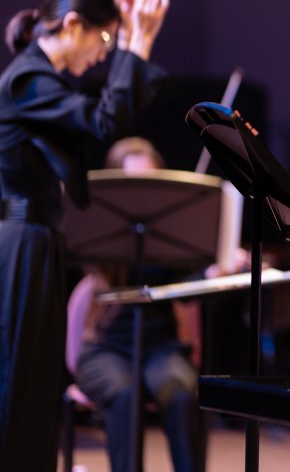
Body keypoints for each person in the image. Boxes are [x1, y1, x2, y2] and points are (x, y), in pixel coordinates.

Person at [0, 0, 168, 471]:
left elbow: (104, 114)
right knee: (16, 383)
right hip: (22, 243)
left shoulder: (42, 80)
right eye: (104, 38)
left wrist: (132, 39)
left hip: (39, 242)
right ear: (72, 24)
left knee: (34, 388)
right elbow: (105, 120)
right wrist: (137, 43)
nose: (103, 52)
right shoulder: (28, 80)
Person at [76, 137, 211, 472]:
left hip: (161, 349)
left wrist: (214, 271)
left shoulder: (171, 240)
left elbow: (186, 289)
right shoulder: (101, 236)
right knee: (125, 395)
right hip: (106, 349)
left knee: (182, 395)